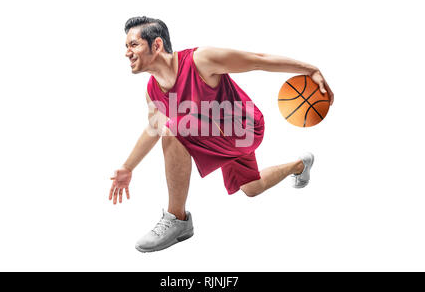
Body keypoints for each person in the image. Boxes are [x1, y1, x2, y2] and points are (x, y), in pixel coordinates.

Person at [109, 16, 334, 253]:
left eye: (133, 45)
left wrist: (311, 70)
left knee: (173, 128)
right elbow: (153, 129)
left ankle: (178, 220)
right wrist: (128, 167)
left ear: (156, 45)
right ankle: (299, 165)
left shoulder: (200, 60)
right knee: (251, 188)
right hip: (218, 137)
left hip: (244, 129)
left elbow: (258, 60)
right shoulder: (152, 90)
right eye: (126, 47)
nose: (127, 53)